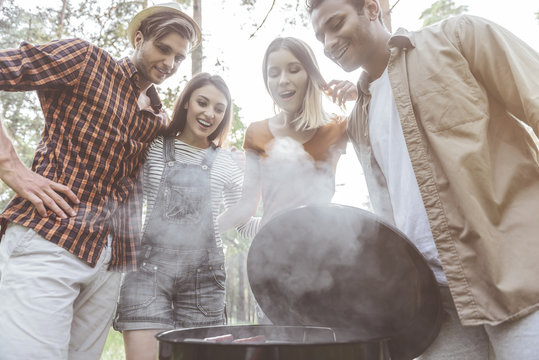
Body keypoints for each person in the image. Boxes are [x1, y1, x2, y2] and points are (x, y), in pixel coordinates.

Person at [307, 0, 539, 358]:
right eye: (320, 35)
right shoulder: (358, 118)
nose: (328, 43)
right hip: (435, 305)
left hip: (514, 277)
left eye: (336, 24)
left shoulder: (458, 37)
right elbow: (388, 211)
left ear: (371, 9)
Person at [0, 3, 201, 359]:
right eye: (163, 49)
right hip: (50, 241)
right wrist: (10, 165)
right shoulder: (85, 61)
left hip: (109, 265)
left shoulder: (157, 118)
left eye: (179, 58)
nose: (170, 63)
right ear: (139, 39)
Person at [113, 72, 256, 360]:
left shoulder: (228, 162)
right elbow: (122, 197)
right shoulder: (153, 147)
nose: (209, 113)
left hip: (204, 280)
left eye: (219, 108)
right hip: (148, 273)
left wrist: (293, 227)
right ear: (187, 103)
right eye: (202, 102)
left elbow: (244, 223)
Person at [219, 37, 350, 234]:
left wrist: (362, 92)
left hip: (321, 248)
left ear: (310, 73)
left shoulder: (338, 127)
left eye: (294, 69)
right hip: (271, 252)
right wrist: (198, 234)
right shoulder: (256, 132)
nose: (283, 80)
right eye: (273, 73)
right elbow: (245, 208)